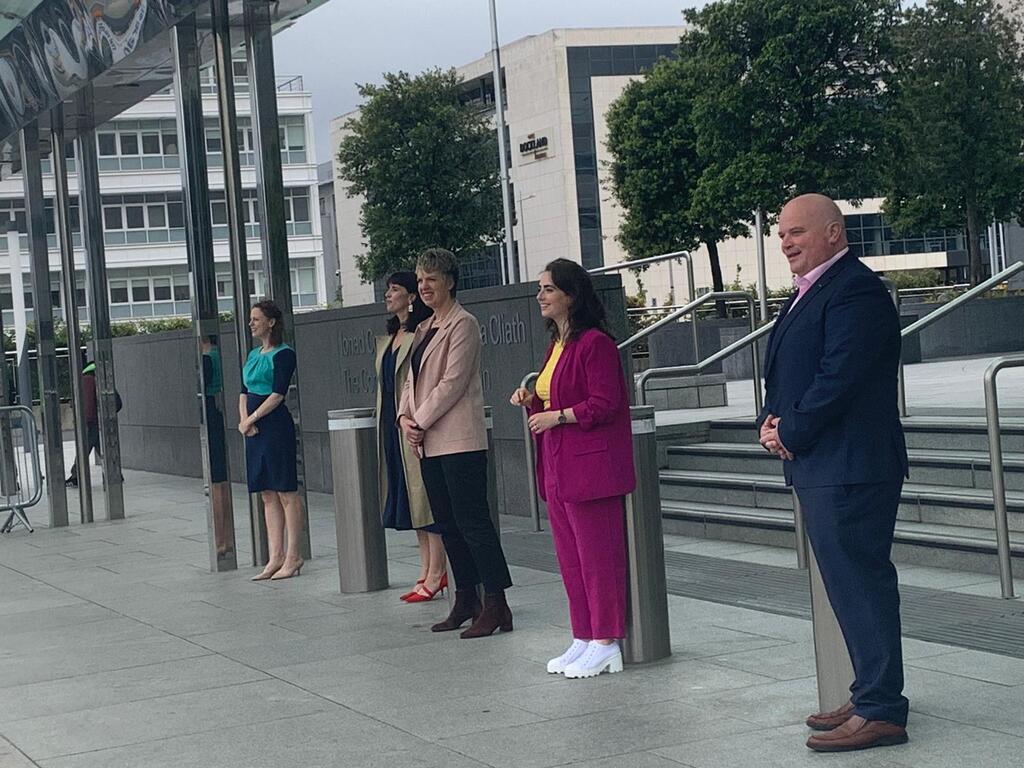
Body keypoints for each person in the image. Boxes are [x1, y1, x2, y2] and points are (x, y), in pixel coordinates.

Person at [759, 193, 910, 752]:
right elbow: (788, 374)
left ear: (834, 232)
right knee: (849, 587)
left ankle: (881, 709)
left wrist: (790, 430)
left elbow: (839, 376)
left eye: (797, 231)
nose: (786, 241)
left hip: (852, 466)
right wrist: (769, 421)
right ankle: (870, 690)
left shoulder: (856, 291)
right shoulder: (811, 291)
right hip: (826, 461)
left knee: (862, 584)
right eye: (781, 234)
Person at [510, 259, 635, 678]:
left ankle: (606, 640)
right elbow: (556, 393)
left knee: (598, 558)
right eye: (540, 289)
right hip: (559, 466)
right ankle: (583, 635)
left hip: (590, 468)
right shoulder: (557, 345)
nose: (541, 296)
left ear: (571, 295)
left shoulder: (595, 343)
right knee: (571, 559)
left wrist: (556, 416)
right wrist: (534, 401)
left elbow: (606, 403)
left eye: (548, 288)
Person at [398, 248, 514, 638]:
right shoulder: (423, 328)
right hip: (427, 441)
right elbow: (410, 381)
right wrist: (404, 418)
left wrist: (419, 419)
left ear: (449, 280)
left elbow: (453, 382)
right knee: (447, 524)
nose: (424, 286)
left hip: (458, 440)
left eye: (431, 278)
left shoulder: (463, 324)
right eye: (419, 279)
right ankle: (466, 597)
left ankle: (496, 602)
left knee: (473, 523)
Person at [375, 271, 448, 602]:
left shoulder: (422, 332)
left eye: (394, 290)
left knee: (426, 500)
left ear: (411, 297)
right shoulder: (392, 336)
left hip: (416, 424)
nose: (388, 295)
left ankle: (438, 572)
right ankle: (424, 570)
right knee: (410, 502)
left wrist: (413, 419)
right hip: (394, 424)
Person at [240, 300, 305, 581]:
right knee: (267, 493)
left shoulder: (284, 354)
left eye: (256, 319)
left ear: (271, 322)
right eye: (251, 319)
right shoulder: (253, 354)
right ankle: (274, 555)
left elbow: (278, 394)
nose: (252, 323)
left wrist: (252, 418)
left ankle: (293, 555)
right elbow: (243, 390)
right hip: (253, 427)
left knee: (285, 491)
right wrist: (244, 421)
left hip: (274, 426)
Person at [202, 335, 234, 557]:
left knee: (215, 483)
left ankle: (221, 539)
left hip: (210, 415)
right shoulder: (219, 355)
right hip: (219, 415)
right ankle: (227, 537)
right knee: (222, 481)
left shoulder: (206, 359)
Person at [65, 353, 100, 488]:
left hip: (88, 422)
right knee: (100, 449)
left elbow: (81, 404)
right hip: (95, 422)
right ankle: (115, 474)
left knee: (84, 450)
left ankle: (75, 476)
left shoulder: (84, 381)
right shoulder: (96, 380)